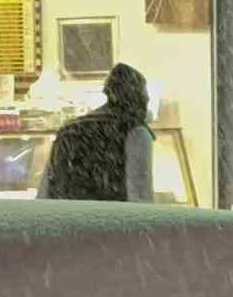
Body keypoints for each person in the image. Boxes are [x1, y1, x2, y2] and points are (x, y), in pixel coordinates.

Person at [39, 63, 155, 201]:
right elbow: (140, 193)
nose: (147, 98)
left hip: (66, 218)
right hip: (109, 219)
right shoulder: (135, 132)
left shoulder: (69, 129)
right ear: (135, 95)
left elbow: (44, 191)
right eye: (144, 92)